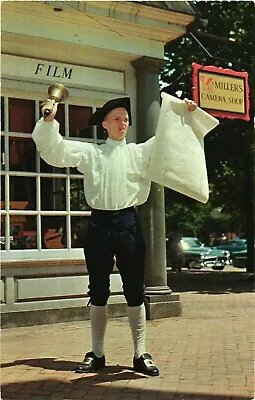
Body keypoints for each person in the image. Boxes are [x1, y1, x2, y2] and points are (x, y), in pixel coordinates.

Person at [32, 95, 196, 377]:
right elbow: (55, 151)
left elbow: (170, 138)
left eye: (126, 119)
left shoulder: (140, 153)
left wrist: (184, 112)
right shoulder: (91, 154)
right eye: (117, 118)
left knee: (135, 289)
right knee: (98, 290)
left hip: (129, 222)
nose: (124, 123)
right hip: (99, 225)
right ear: (104, 124)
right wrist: (48, 120)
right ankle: (96, 353)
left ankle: (140, 352)